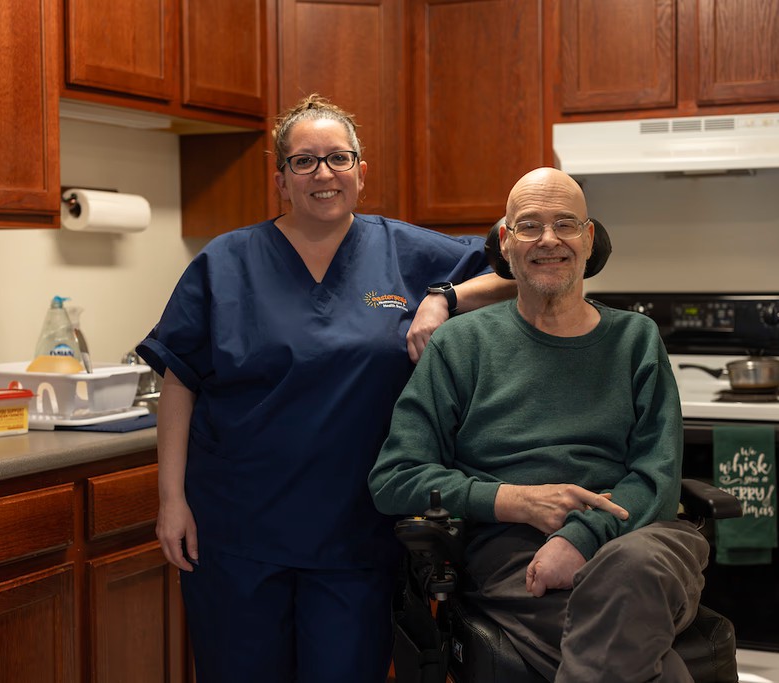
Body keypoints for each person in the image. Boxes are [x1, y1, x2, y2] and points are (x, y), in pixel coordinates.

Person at [136, 94, 515, 683]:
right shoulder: (225, 261)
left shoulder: (405, 252)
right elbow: (179, 379)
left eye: (338, 159)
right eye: (304, 161)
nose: (323, 174)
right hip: (236, 531)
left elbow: (516, 265)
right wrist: (171, 501)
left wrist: (444, 297)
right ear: (281, 177)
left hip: (355, 535)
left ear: (361, 172)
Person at [369, 167, 710, 682]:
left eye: (566, 224)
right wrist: (514, 500)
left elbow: (655, 478)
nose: (548, 240)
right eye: (529, 226)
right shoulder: (462, 345)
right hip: (513, 555)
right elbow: (394, 479)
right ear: (505, 244)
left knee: (631, 570)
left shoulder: (636, 340)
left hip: (638, 537)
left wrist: (580, 538)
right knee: (660, 668)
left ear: (588, 239)